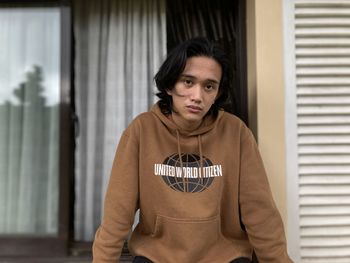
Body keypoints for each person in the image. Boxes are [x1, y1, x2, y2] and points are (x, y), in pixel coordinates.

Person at [92, 37, 293, 263]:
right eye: (188, 82)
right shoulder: (141, 130)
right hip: (156, 257)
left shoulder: (236, 133)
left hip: (224, 257)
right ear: (170, 85)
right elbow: (118, 213)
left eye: (209, 86)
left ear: (217, 93)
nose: (197, 96)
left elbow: (260, 212)